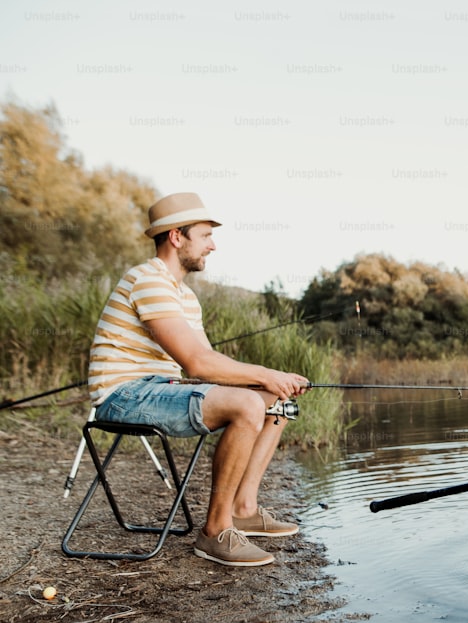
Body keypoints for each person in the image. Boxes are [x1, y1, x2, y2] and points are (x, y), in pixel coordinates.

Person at [88, 192, 310, 567]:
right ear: (177, 237)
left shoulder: (186, 297)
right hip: (124, 396)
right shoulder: (147, 279)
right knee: (246, 404)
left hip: (161, 389)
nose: (213, 245)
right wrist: (266, 374)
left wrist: (269, 383)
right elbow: (197, 363)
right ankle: (214, 532)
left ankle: (243, 507)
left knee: (275, 401)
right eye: (205, 235)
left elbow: (211, 367)